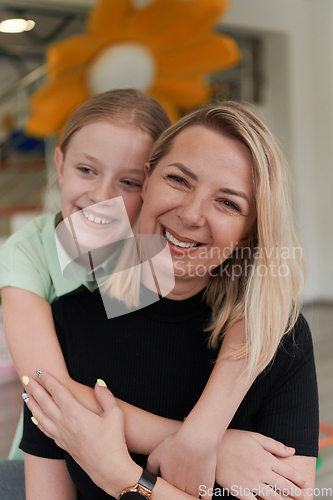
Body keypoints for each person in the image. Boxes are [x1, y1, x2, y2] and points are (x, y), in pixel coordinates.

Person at [20, 101, 318, 500]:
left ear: (248, 233)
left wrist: (122, 476)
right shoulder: (66, 323)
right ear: (147, 180)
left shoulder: (280, 340)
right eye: (179, 180)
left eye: (228, 203)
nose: (191, 214)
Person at [0, 88, 171, 414]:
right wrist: (188, 440)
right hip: (49, 451)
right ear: (61, 165)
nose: (101, 196)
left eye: (129, 182)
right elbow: (48, 390)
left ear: (151, 190)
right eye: (87, 170)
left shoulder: (155, 257)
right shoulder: (25, 253)